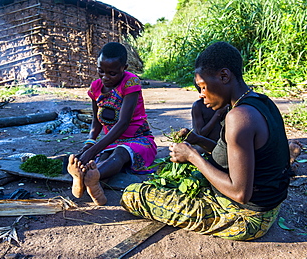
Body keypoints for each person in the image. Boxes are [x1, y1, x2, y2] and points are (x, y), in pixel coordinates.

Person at [121, 41, 291, 240]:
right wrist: (197, 140)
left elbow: (240, 193)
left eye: (202, 87)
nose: (201, 96)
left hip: (248, 218)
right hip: (270, 204)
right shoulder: (261, 102)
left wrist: (193, 156)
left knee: (133, 194)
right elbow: (232, 155)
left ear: (224, 76)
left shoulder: (238, 117)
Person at [67, 42, 157, 206]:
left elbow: (123, 123)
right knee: (102, 159)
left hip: (139, 139)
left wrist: (93, 150)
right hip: (112, 141)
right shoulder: (96, 87)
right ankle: (89, 179)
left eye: (112, 73)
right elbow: (96, 121)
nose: (105, 77)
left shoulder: (131, 83)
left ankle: (90, 177)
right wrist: (89, 143)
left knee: (120, 154)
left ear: (124, 68)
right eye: (101, 71)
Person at [190, 81, 228, 153]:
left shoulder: (226, 103)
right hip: (206, 145)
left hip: (222, 144)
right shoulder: (198, 106)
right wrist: (218, 114)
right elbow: (201, 133)